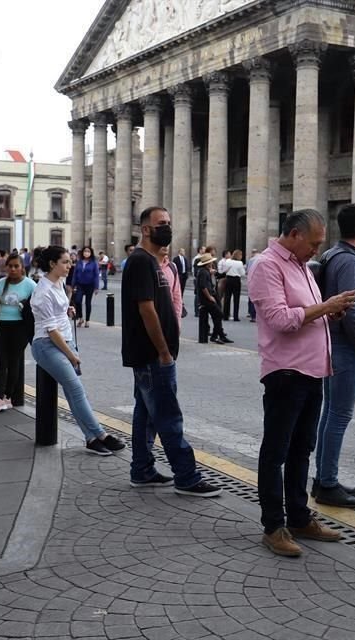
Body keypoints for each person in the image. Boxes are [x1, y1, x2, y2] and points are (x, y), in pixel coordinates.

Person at [249, 209, 354, 557]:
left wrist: (328, 311)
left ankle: (298, 516)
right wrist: (325, 307)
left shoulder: (301, 266)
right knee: (276, 452)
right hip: (286, 373)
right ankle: (272, 525)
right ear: (294, 235)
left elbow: (306, 313)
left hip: (312, 372)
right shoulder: (267, 265)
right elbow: (280, 319)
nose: (316, 250)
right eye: (313, 243)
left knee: (301, 449)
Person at [121, 206, 220, 497]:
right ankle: (186, 476)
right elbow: (146, 309)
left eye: (169, 222)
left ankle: (141, 469)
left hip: (152, 355)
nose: (168, 227)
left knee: (146, 414)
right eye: (161, 223)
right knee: (168, 416)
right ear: (146, 229)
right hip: (152, 355)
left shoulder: (153, 262)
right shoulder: (140, 261)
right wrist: (164, 351)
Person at [32, 246, 125, 455]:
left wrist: (67, 311)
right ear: (52, 264)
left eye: (69, 261)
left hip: (64, 341)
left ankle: (92, 438)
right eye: (65, 262)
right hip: (48, 345)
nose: (69, 265)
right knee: (76, 390)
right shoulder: (43, 291)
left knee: (73, 391)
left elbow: (58, 314)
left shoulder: (59, 282)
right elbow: (51, 330)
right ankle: (100, 435)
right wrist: (71, 354)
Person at [312, 204, 355, 509]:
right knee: (338, 415)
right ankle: (328, 483)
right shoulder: (348, 261)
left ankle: (323, 477)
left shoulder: (332, 255)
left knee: (330, 413)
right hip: (344, 347)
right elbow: (351, 311)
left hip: (332, 343)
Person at [0, 253, 35, 412]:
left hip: (20, 327)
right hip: (2, 326)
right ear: (6, 267)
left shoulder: (30, 285)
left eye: (16, 266)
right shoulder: (1, 284)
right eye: (10, 266)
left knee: (14, 362)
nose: (13, 269)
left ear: (22, 267)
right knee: (0, 362)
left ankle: (7, 397)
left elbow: (37, 307)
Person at [195, 255, 231, 344]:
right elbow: (203, 287)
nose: (212, 263)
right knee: (219, 314)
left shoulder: (206, 271)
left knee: (217, 316)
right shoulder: (203, 272)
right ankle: (216, 335)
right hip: (206, 299)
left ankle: (218, 335)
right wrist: (209, 297)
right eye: (210, 261)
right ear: (207, 263)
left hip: (211, 296)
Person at [72, 246, 100, 328]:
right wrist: (73, 285)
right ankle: (81, 318)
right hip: (80, 284)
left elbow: (96, 275)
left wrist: (96, 287)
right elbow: (75, 273)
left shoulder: (93, 262)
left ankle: (87, 320)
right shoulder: (79, 262)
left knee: (88, 303)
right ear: (82, 252)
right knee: (77, 301)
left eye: (88, 251)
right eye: (85, 251)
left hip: (90, 285)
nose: (86, 253)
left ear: (91, 253)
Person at [223, 249, 246, 321]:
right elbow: (242, 273)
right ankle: (235, 316)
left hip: (228, 279)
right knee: (236, 299)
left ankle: (225, 315)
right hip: (236, 280)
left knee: (227, 297)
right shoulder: (239, 263)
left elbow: (224, 270)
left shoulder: (227, 261)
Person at [246, 248, 260, 322]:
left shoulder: (251, 260)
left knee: (251, 298)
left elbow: (248, 271)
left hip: (251, 280)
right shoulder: (262, 259)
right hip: (260, 281)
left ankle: (252, 315)